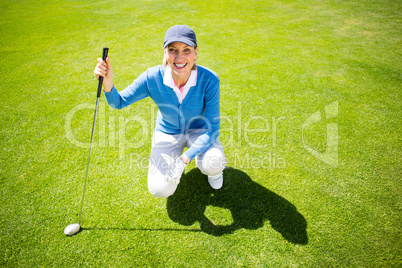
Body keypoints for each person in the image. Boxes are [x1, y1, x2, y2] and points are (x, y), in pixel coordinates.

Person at [94, 25, 226, 198]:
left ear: (195, 53)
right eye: (173, 50)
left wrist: (184, 159)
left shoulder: (209, 79)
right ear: (165, 52)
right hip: (167, 131)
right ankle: (175, 167)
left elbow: (212, 128)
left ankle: (214, 173)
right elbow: (118, 102)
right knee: (159, 190)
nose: (179, 57)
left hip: (199, 130)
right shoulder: (152, 77)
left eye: (186, 50)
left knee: (213, 163)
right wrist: (108, 81)